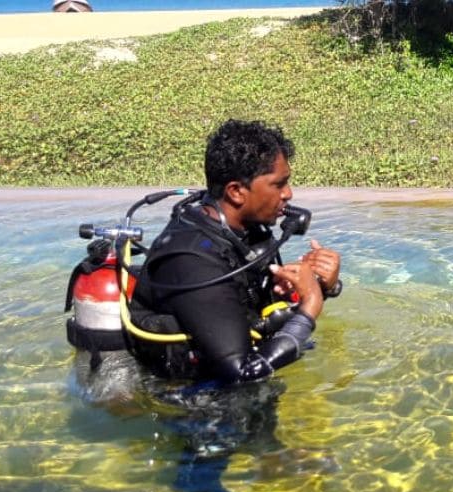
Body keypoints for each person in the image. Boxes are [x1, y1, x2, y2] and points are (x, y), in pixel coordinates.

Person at [128, 118, 342, 385]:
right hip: (191, 404)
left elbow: (255, 311)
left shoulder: (242, 230)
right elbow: (243, 372)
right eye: (279, 184)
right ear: (237, 192)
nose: (289, 194)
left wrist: (322, 285)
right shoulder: (191, 261)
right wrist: (310, 305)